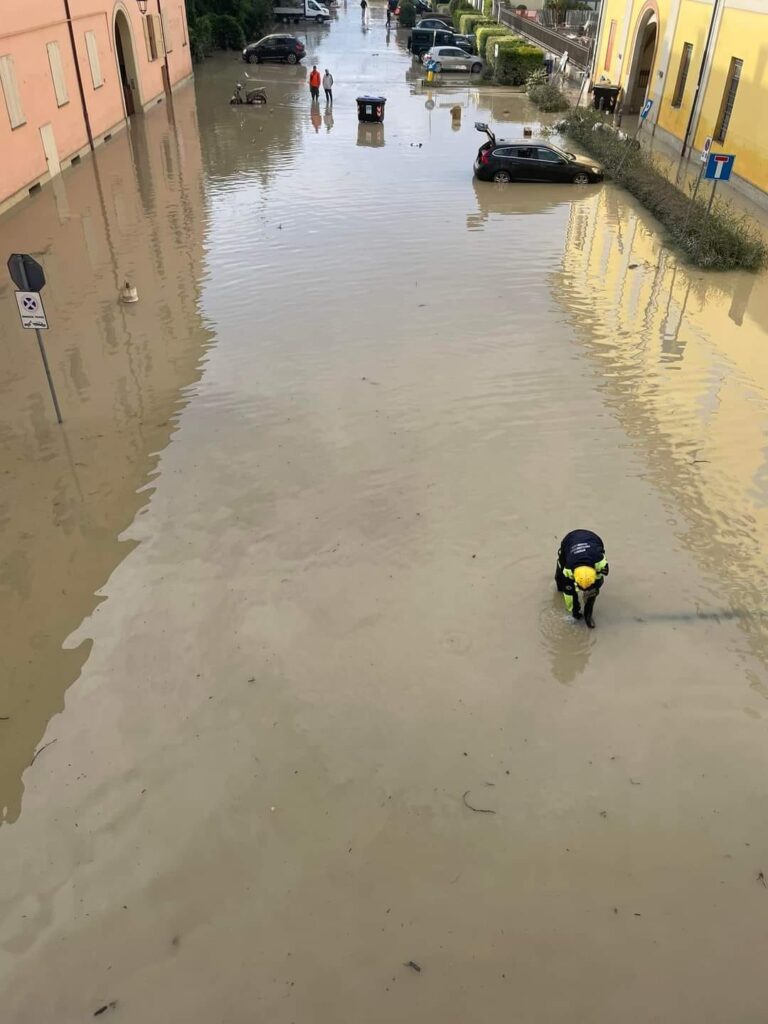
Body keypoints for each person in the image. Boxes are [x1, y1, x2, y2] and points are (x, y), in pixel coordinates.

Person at [554, 529, 609, 629]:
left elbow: (603, 574)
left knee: (593, 592)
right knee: (561, 581)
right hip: (569, 540)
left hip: (593, 539)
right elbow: (569, 595)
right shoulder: (568, 570)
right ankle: (559, 589)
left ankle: (588, 615)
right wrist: (575, 613)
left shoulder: (600, 562)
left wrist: (592, 592)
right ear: (573, 577)